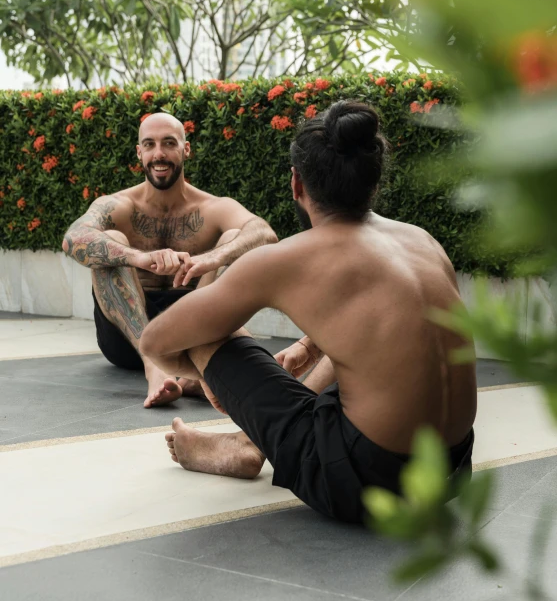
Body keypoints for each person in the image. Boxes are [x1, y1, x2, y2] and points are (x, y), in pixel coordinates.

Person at [139, 101, 477, 523]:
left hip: (368, 486)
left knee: (205, 331)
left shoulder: (286, 258)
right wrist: (308, 346)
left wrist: (213, 376)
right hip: (451, 468)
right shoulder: (421, 240)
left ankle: (248, 446)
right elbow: (383, 323)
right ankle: (253, 443)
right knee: (382, 344)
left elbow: (154, 341)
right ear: (372, 182)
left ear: (297, 184)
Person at [62, 112, 277, 408]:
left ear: (185, 149)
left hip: (194, 328)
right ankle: (156, 364)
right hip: (127, 338)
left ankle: (190, 371)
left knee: (233, 242)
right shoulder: (119, 205)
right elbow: (74, 237)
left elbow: (264, 233)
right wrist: (138, 257)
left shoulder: (213, 207)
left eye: (169, 143)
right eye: (149, 145)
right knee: (112, 244)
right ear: (140, 153)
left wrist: (211, 259)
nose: (158, 154)